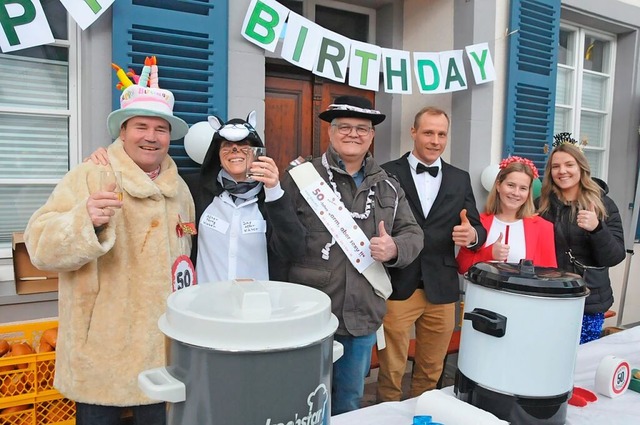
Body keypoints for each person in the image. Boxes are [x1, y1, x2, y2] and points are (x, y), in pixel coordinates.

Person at [24, 62, 195, 425]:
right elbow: (39, 245)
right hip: (101, 356)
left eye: (161, 129)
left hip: (161, 354)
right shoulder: (90, 175)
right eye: (141, 126)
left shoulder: (180, 190)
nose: (152, 136)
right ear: (122, 131)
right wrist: (83, 220)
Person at [275, 95, 424, 414]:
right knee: (302, 399)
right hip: (309, 312)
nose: (353, 134)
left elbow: (413, 235)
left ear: (371, 136)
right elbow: (278, 239)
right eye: (344, 127)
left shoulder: (388, 187)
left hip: (362, 314)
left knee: (350, 401)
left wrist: (394, 248)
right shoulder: (301, 179)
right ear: (330, 132)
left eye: (362, 128)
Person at [377, 106, 486, 401]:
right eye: (428, 132)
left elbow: (476, 225)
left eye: (441, 134)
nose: (435, 140)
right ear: (413, 132)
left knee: (431, 369)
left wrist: (472, 235)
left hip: (442, 287)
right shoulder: (386, 172)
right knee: (391, 369)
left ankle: (424, 416)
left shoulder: (459, 178)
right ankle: (386, 418)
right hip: (398, 284)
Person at [182, 112, 305, 282]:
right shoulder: (197, 190)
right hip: (206, 302)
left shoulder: (273, 196)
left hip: (257, 303)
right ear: (217, 155)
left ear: (256, 153)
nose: (235, 150)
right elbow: (185, 235)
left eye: (243, 145)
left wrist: (274, 191)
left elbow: (293, 250)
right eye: (227, 145)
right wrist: (185, 228)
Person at [537, 132, 625, 344]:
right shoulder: (541, 205)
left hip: (589, 300)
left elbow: (614, 256)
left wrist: (597, 229)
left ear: (581, 168)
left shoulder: (603, 203)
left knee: (581, 360)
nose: (562, 171)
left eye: (569, 164)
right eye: (556, 166)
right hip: (550, 297)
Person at [456, 156, 557, 272]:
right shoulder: (478, 223)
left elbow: (549, 275)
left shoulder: (543, 227)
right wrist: (489, 253)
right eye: (511, 185)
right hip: (482, 290)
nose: (516, 193)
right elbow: (462, 268)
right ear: (498, 185)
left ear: (528, 192)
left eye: (523, 188)